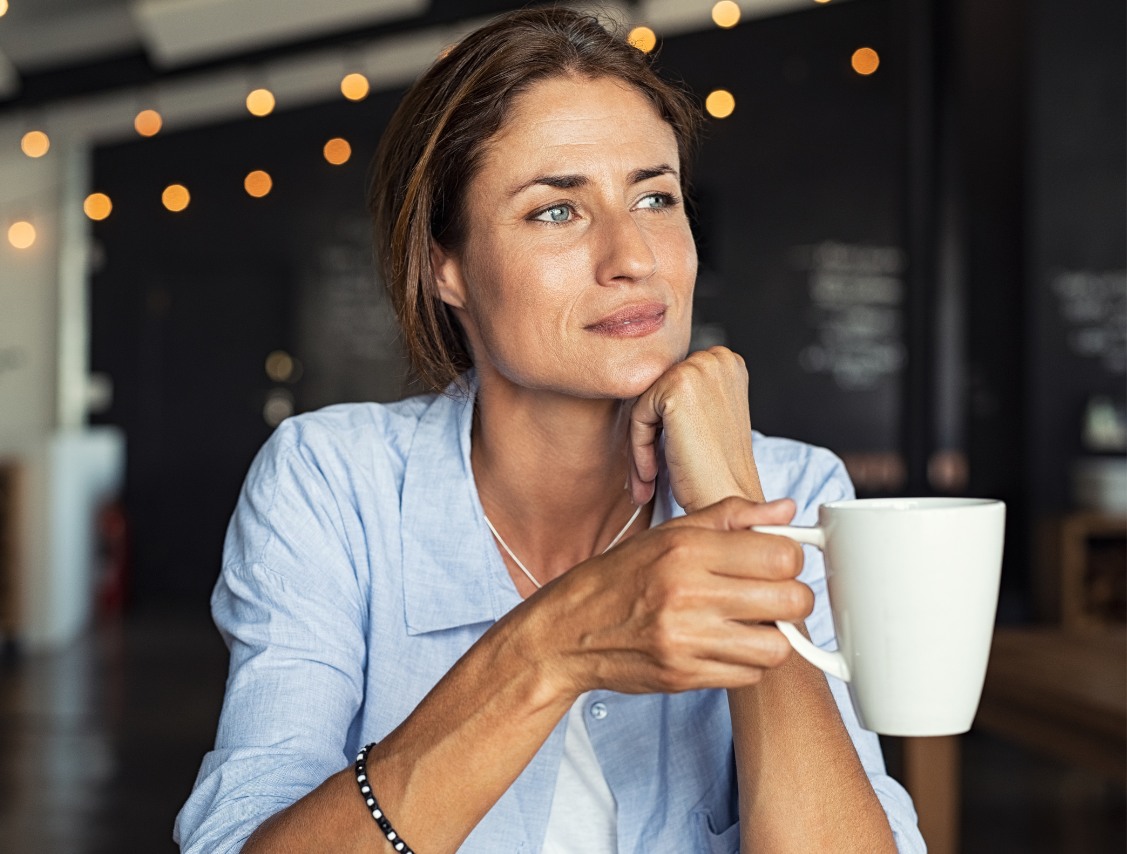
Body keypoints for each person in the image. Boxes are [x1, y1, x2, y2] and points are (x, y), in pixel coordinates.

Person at [175, 9, 924, 854]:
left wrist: (729, 493)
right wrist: (553, 648)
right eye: (557, 212)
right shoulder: (332, 483)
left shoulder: (799, 491)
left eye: (655, 197)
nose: (633, 255)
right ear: (442, 264)